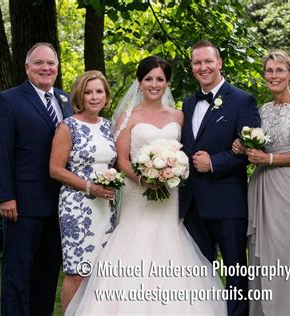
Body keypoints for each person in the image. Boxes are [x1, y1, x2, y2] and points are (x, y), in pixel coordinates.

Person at [65, 56, 226, 315]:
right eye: (148, 79)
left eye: (160, 79)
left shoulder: (179, 115)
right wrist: (142, 179)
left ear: (167, 83)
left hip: (169, 198)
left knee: (170, 246)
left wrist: (176, 170)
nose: (154, 84)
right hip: (136, 196)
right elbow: (121, 159)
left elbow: (187, 151)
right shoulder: (129, 116)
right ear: (139, 83)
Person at [0, 42, 73, 315]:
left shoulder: (66, 101)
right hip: (22, 205)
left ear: (57, 69)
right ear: (27, 68)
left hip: (59, 204)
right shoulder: (9, 100)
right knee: (17, 274)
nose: (45, 68)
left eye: (51, 63)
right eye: (39, 63)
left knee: (47, 275)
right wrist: (6, 196)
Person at [179, 40, 261, 316]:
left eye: (207, 61)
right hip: (192, 205)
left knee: (235, 271)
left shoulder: (242, 100)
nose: (203, 67)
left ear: (219, 63)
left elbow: (251, 149)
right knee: (200, 271)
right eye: (197, 62)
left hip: (227, 203)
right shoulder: (188, 103)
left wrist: (214, 162)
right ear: (191, 67)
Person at [233, 50, 290, 315]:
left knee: (283, 249)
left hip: (287, 185)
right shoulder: (263, 110)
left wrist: (268, 158)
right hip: (261, 185)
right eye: (269, 71)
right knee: (261, 251)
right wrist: (242, 146)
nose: (274, 75)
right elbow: (257, 147)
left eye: (280, 70)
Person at [49, 70, 117, 314]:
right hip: (77, 207)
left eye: (99, 91)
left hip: (105, 208)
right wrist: (90, 187)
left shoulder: (109, 127)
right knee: (78, 272)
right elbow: (55, 170)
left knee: (101, 271)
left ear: (106, 96)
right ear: (80, 96)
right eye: (88, 92)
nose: (94, 96)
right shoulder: (68, 126)